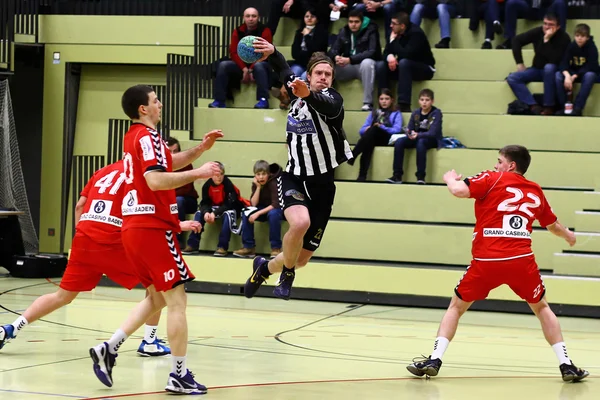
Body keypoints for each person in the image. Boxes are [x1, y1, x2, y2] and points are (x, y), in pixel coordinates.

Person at [406, 145, 589, 383]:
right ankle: (566, 364)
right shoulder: (535, 190)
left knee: (456, 307)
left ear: (511, 165)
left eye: (499, 160)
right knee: (542, 308)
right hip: (521, 261)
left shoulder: (491, 178)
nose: (495, 165)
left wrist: (450, 179)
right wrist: (569, 237)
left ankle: (434, 359)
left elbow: (460, 191)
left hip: (487, 260)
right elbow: (553, 226)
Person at [89, 84, 223, 395]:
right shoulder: (147, 136)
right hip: (152, 226)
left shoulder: (136, 137)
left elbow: (166, 164)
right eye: (155, 100)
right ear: (143, 109)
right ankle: (178, 374)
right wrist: (199, 173)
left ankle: (110, 348)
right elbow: (155, 178)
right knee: (177, 301)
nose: (160, 104)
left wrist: (199, 150)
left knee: (156, 298)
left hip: (135, 227)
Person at [0, 161, 199, 358]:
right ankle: (149, 341)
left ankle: (11, 328)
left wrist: (81, 235)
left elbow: (80, 206)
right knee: (158, 287)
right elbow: (143, 214)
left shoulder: (103, 171)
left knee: (62, 296)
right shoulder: (142, 175)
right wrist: (178, 225)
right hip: (113, 240)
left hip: (84, 238)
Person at [243, 40, 353, 300]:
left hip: (323, 185)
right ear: (309, 76)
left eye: (328, 74)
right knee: (300, 223)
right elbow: (283, 70)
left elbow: (325, 105)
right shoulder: (298, 89)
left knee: (302, 258)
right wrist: (273, 53)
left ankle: (263, 268)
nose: (324, 78)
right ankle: (287, 273)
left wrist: (306, 94)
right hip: (294, 177)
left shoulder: (334, 101)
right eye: (319, 73)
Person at [348, 89, 403, 181]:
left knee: (374, 130)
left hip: (387, 138)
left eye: (387, 99)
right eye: (381, 99)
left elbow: (397, 130)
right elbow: (361, 130)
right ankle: (362, 176)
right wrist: (367, 129)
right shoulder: (374, 112)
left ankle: (354, 154)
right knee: (368, 141)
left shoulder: (396, 113)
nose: (384, 101)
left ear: (392, 100)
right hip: (373, 136)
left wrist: (382, 127)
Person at [555, 23, 599, 116]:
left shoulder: (592, 47)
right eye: (577, 36)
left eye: (582, 36)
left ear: (587, 37)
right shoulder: (571, 46)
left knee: (590, 76)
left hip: (586, 73)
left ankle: (578, 108)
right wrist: (567, 75)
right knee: (558, 75)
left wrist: (575, 76)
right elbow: (563, 62)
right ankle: (564, 107)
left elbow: (592, 66)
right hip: (573, 72)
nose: (579, 38)